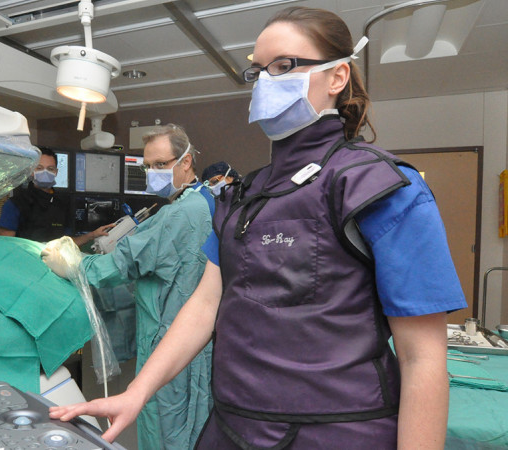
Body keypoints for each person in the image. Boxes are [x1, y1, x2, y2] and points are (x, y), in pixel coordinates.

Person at [48, 6, 466, 449]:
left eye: (284, 66)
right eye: (258, 71)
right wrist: (138, 391)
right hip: (233, 425)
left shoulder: (378, 188)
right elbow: (204, 306)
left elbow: (423, 358)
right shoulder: (243, 195)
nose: (266, 82)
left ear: (337, 77)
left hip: (337, 431)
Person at [42, 124, 215, 450]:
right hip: (194, 348)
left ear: (186, 161)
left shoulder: (182, 214)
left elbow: (116, 267)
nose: (153, 173)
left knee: (167, 433)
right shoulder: (205, 200)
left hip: (171, 349)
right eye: (148, 166)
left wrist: (70, 262)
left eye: (161, 165)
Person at [0, 147, 112, 245]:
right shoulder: (15, 204)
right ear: (31, 171)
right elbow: (7, 246)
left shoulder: (62, 204)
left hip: (54, 266)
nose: (45, 172)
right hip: (25, 266)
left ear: (56, 172)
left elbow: (67, 243)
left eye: (50, 169)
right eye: (39, 168)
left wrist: (92, 235)